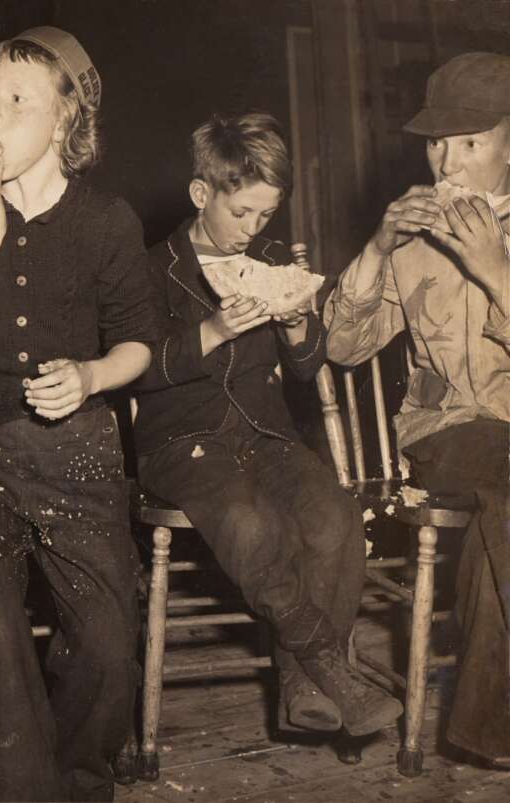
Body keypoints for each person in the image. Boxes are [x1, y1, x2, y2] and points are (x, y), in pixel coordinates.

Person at [0, 27, 156, 802]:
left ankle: (77, 783)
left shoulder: (106, 220)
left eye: (18, 101)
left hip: (76, 447)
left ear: (66, 120)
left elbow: (140, 344)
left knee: (111, 631)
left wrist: (90, 375)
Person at [133, 112, 404, 740]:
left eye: (265, 216)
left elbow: (308, 369)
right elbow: (138, 369)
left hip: (266, 435)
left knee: (334, 516)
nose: (252, 232)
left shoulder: (273, 259)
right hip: (183, 441)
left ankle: (301, 682)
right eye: (241, 213)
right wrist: (215, 330)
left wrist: (294, 323)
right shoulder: (152, 268)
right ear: (203, 194)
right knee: (253, 524)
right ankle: (326, 664)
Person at [324, 52, 510, 768]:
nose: (449, 163)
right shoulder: (415, 234)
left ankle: (483, 726)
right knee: (496, 463)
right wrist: (377, 246)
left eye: (470, 142)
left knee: (500, 506)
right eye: (437, 142)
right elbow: (342, 348)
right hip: (447, 433)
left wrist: (495, 271)